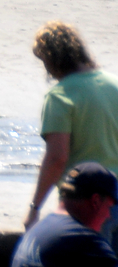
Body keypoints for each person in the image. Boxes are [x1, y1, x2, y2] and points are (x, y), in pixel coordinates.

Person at [27, 22, 118, 246]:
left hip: (87, 201)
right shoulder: (114, 85)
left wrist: (35, 207)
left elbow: (57, 159)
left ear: (51, 60)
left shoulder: (59, 97)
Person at [13, 163, 118, 267]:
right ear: (96, 201)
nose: (109, 215)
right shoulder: (88, 244)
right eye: (109, 206)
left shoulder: (37, 229)